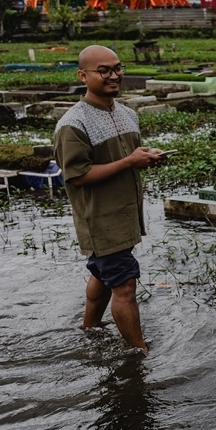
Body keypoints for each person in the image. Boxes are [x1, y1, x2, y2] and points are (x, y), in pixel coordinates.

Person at [54, 45, 165, 354]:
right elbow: (77, 176)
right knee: (125, 285)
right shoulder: (72, 124)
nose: (114, 76)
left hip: (125, 212)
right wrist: (130, 162)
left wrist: (145, 157)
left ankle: (89, 330)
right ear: (83, 75)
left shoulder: (127, 114)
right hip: (101, 218)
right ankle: (139, 354)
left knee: (102, 274)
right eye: (104, 70)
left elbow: (127, 157)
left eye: (118, 68)